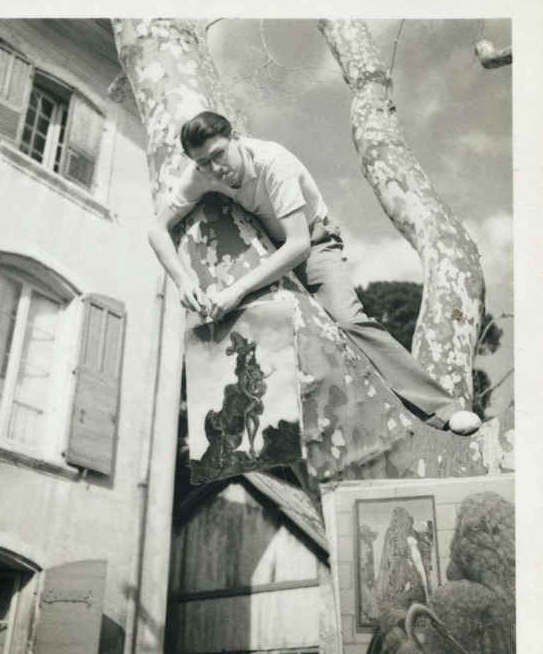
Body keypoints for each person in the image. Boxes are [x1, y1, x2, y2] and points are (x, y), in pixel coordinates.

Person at [148, 111, 481, 435]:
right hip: (262, 247)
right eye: (203, 162)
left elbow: (299, 246)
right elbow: (157, 230)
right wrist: (183, 280)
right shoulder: (202, 173)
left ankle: (444, 409)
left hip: (312, 244)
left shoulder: (272, 162)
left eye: (219, 155)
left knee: (348, 320)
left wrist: (237, 290)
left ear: (235, 138)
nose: (214, 168)